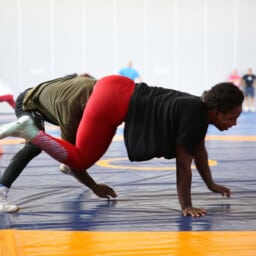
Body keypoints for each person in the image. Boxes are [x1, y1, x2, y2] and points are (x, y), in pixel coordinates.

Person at [0, 75, 244, 217]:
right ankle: (30, 132)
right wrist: (186, 205)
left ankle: (33, 134)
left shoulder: (195, 108)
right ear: (215, 110)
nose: (233, 123)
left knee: (77, 155)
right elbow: (184, 164)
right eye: (231, 117)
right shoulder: (194, 117)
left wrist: (210, 184)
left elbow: (199, 151)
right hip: (111, 103)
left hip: (114, 85)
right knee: (80, 159)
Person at [0, 73, 116, 213]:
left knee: (90, 135)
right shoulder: (71, 114)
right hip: (29, 104)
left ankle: (65, 166)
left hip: (48, 100)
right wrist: (94, 187)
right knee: (35, 146)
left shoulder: (96, 90)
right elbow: (73, 159)